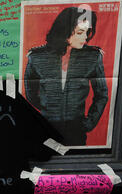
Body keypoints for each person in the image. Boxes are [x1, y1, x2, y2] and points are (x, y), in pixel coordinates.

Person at [24, 6, 109, 146]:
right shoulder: (37, 57)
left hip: (76, 129)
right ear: (64, 32)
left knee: (75, 164)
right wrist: (49, 109)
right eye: (80, 32)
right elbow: (30, 92)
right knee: (49, 163)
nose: (86, 37)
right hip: (47, 128)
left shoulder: (92, 57)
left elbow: (102, 94)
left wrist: (89, 123)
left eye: (87, 32)